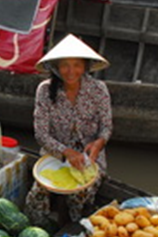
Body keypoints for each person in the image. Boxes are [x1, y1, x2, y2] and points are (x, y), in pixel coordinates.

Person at [24, 34, 113, 227]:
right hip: (55, 154)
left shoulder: (98, 90)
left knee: (80, 194)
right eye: (65, 65)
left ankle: (75, 230)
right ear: (56, 67)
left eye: (77, 65)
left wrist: (98, 144)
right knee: (38, 193)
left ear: (85, 67)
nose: (70, 71)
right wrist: (66, 152)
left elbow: (106, 127)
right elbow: (41, 134)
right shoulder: (45, 91)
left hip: (90, 156)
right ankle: (36, 229)